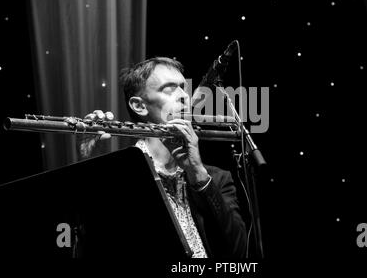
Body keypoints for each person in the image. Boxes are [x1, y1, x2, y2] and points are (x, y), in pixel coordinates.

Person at [80, 57, 247, 258]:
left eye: (183, 87)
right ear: (139, 106)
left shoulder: (217, 178)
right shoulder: (119, 176)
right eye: (169, 89)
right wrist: (92, 167)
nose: (185, 96)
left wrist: (199, 175)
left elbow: (239, 252)